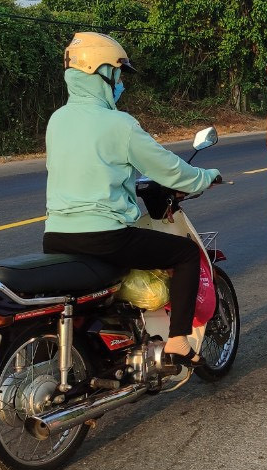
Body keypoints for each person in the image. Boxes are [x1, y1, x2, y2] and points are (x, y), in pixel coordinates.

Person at [43, 32, 220, 373]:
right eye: (118, 73)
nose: (121, 82)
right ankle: (179, 340)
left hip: (56, 235)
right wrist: (206, 176)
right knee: (184, 255)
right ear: (100, 71)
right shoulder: (119, 124)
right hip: (105, 236)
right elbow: (170, 170)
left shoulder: (57, 120)